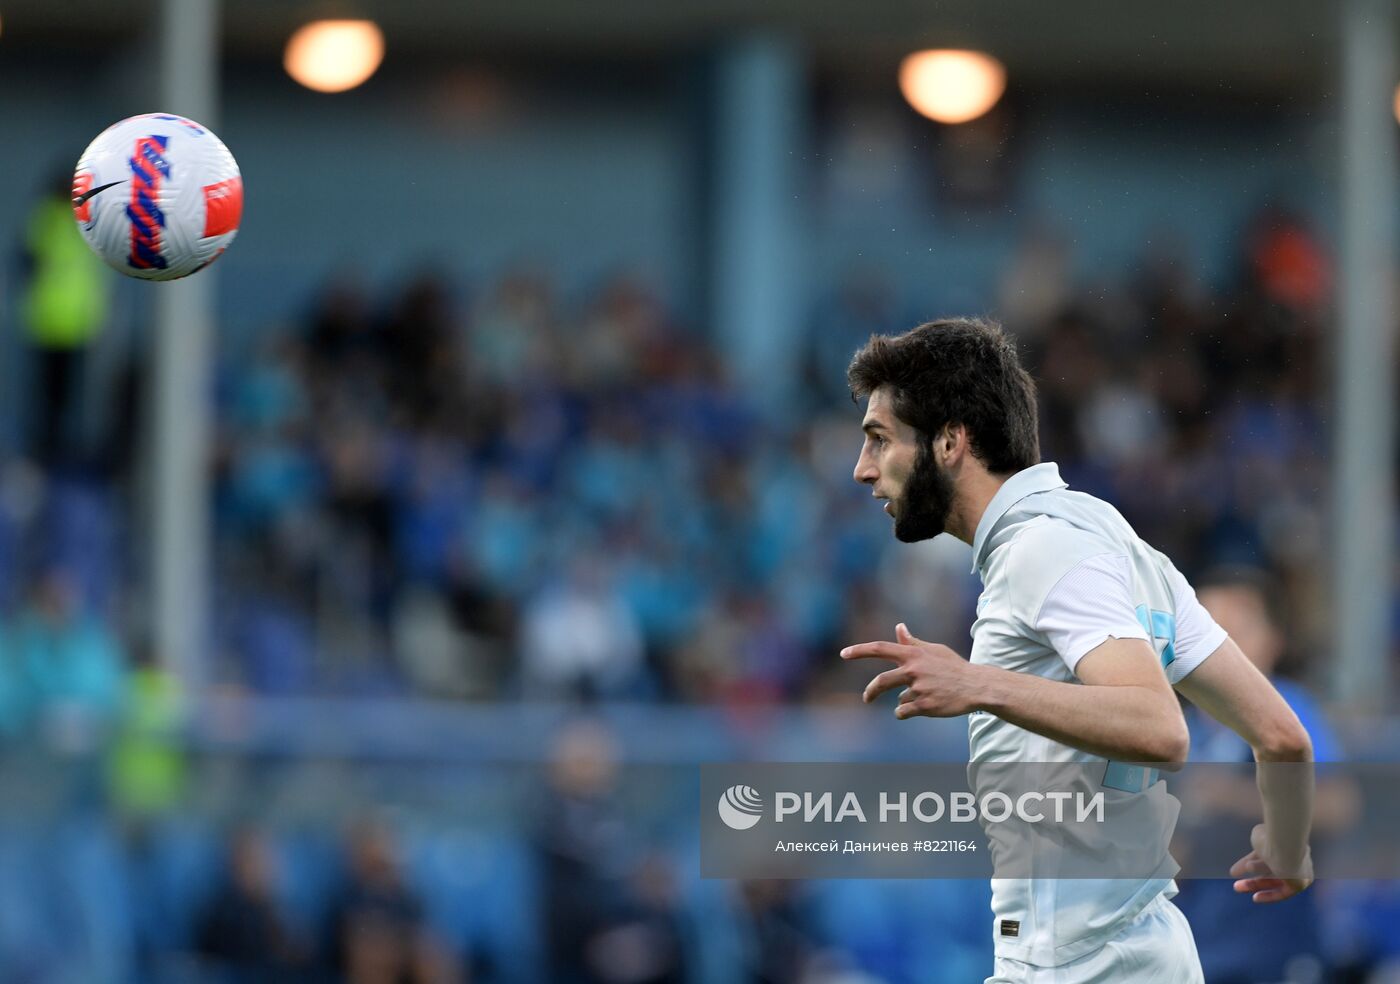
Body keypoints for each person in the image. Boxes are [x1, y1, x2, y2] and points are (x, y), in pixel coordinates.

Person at [840, 318, 1315, 984]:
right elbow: (1282, 737)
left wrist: (980, 684)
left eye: (879, 440)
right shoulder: (1118, 545)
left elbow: (1160, 729)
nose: (862, 469)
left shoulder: (1044, 549)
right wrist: (1287, 849)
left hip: (1078, 965)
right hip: (1142, 953)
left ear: (951, 440)